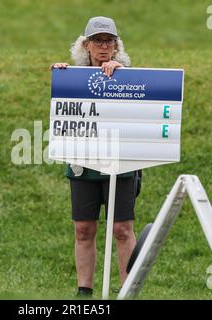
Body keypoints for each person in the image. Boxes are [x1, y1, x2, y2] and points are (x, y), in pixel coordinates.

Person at [51, 16, 139, 297]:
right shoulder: (71, 76)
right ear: (86, 45)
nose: (103, 47)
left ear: (116, 46)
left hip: (121, 163)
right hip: (83, 162)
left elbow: (143, 101)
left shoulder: (128, 74)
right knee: (83, 228)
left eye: (108, 41)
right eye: (97, 41)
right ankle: (84, 293)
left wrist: (121, 72)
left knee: (122, 228)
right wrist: (62, 78)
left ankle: (128, 291)